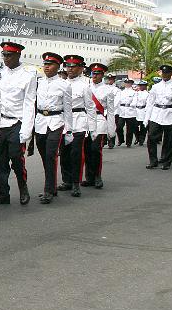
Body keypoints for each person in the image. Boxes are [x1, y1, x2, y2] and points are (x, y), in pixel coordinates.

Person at [0, 41, 36, 206]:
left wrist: (26, 130)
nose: (6, 58)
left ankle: (23, 188)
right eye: (4, 55)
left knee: (17, 158)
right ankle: (2, 194)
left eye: (9, 55)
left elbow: (29, 104)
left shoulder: (28, 76)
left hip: (17, 122)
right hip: (1, 122)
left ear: (18, 55)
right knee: (0, 160)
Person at [34, 52, 72, 204]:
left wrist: (68, 130)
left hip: (56, 121)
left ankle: (48, 190)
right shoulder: (39, 82)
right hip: (40, 121)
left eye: (50, 64)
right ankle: (52, 185)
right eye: (45, 64)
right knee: (44, 156)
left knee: (51, 155)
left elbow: (68, 109)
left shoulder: (64, 85)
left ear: (58, 66)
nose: (47, 67)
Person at [58, 55, 96, 198]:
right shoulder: (61, 83)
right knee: (64, 153)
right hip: (63, 122)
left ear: (81, 68)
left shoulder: (84, 86)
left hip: (79, 121)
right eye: (68, 66)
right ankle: (66, 180)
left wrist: (92, 128)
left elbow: (90, 108)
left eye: (74, 66)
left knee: (76, 154)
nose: (70, 69)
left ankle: (75, 183)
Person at [83, 63, 115, 188]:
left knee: (96, 150)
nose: (94, 76)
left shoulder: (108, 90)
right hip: (86, 120)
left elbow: (111, 111)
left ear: (102, 75)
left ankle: (97, 176)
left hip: (99, 120)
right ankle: (89, 177)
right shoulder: (86, 87)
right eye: (93, 73)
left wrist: (111, 129)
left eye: (97, 74)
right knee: (87, 150)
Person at [143, 65, 172, 170]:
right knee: (151, 137)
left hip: (169, 113)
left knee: (169, 139)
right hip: (156, 113)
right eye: (163, 73)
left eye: (167, 73)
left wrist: (171, 97)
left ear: (171, 74)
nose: (165, 75)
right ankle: (153, 161)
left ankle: (166, 161)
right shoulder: (156, 87)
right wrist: (146, 118)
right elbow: (150, 103)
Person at [115, 79, 136, 147]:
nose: (127, 84)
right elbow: (117, 101)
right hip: (122, 112)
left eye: (129, 83)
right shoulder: (121, 92)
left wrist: (132, 105)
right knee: (119, 127)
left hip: (130, 112)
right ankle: (121, 140)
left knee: (130, 129)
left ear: (131, 84)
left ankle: (128, 142)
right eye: (126, 83)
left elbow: (135, 101)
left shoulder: (134, 92)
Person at [105, 74, 120, 148]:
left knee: (112, 126)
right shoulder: (104, 88)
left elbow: (117, 101)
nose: (109, 80)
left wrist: (111, 108)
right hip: (104, 110)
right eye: (108, 79)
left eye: (111, 79)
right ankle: (105, 141)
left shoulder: (116, 90)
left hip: (113, 111)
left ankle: (111, 141)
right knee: (104, 126)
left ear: (114, 80)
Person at [132, 81, 149, 145]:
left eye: (143, 85)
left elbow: (148, 103)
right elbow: (134, 101)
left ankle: (141, 140)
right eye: (140, 85)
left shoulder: (147, 94)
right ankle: (137, 137)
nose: (141, 86)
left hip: (143, 110)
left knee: (143, 127)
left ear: (145, 86)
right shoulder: (136, 93)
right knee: (134, 126)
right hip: (136, 110)